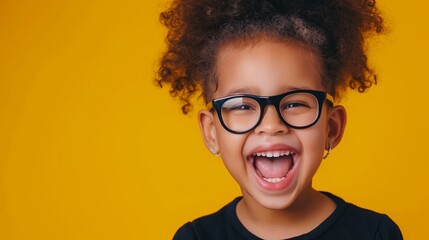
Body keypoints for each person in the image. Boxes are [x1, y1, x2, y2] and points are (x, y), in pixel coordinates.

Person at [156, 0, 403, 239]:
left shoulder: (375, 234)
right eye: (242, 105)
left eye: (295, 103)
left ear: (332, 127)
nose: (272, 124)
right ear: (212, 132)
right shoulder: (196, 237)